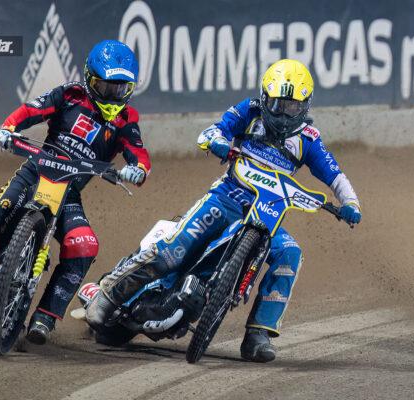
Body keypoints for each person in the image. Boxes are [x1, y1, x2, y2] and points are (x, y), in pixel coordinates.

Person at [86, 59, 361, 362]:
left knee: (290, 253)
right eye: (278, 105)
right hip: (225, 198)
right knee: (175, 249)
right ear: (264, 98)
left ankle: (258, 334)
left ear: (305, 106)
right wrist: (217, 142)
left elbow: (336, 176)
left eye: (292, 107)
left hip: (267, 213)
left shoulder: (309, 139)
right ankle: (109, 295)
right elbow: (213, 130)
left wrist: (350, 203)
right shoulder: (249, 111)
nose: (284, 115)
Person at [0, 40, 152, 345]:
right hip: (34, 173)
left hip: (68, 193)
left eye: (121, 88)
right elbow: (31, 110)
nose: (113, 95)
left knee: (84, 246)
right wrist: (8, 129)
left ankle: (45, 317)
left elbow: (138, 153)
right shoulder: (70, 95)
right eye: (106, 87)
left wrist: (137, 169)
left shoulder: (126, 120)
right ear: (90, 79)